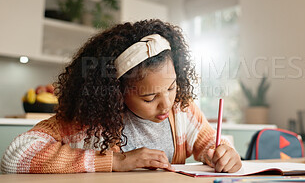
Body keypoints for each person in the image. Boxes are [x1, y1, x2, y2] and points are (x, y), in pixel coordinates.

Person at [0, 19, 242, 174]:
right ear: (117, 92)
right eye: (149, 98)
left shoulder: (182, 110)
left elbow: (210, 143)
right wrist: (114, 161)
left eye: (171, 87)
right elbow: (14, 156)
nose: (166, 104)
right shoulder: (89, 121)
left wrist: (222, 153)